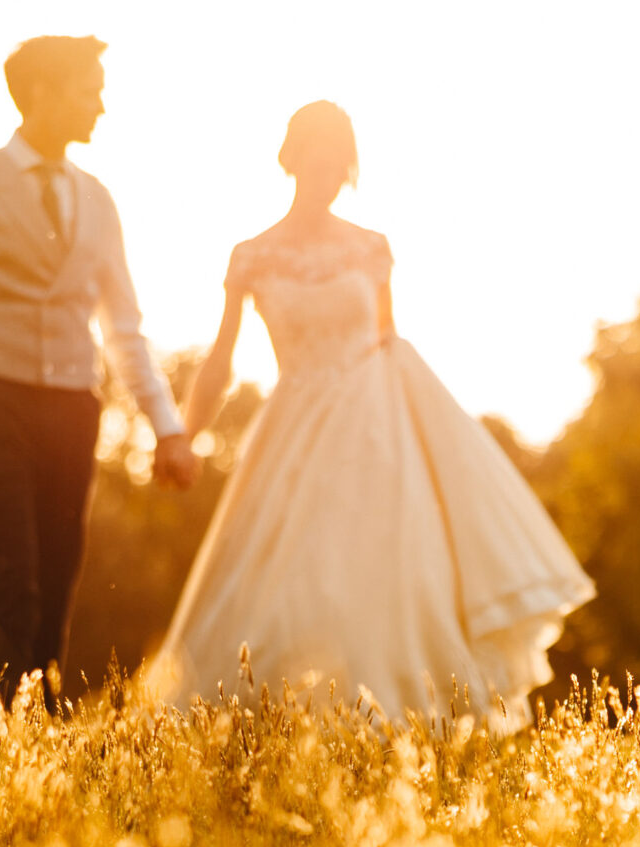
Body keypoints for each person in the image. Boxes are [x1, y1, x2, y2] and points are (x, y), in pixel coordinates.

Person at [146, 102, 593, 730]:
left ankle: (398, 718)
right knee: (290, 576)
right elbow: (220, 357)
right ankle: (287, 719)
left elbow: (388, 341)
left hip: (375, 429)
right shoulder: (252, 255)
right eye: (315, 157)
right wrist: (183, 437)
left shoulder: (370, 248)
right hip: (292, 430)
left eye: (338, 161)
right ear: (291, 157)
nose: (327, 172)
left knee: (380, 567)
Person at [0, 35, 200, 701]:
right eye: (91, 90)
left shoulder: (100, 201)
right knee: (9, 569)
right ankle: (2, 720)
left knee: (58, 572)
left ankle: (40, 710)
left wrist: (167, 427)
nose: (102, 107)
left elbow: (126, 329)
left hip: (73, 406)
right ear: (43, 93)